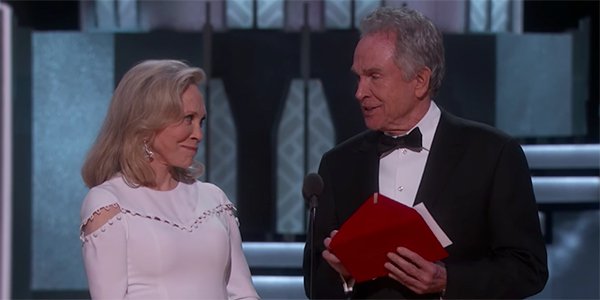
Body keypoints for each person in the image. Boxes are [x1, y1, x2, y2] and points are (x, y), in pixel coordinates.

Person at [303, 6, 548, 299]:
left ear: (419, 81)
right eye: (358, 77)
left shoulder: (493, 154)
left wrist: (448, 280)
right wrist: (344, 274)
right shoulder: (338, 164)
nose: (360, 92)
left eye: (374, 76)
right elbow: (314, 283)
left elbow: (528, 268)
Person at [79, 59, 259, 300]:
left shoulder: (214, 199)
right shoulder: (109, 204)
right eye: (187, 119)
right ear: (146, 123)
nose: (198, 134)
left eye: (201, 121)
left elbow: (243, 293)